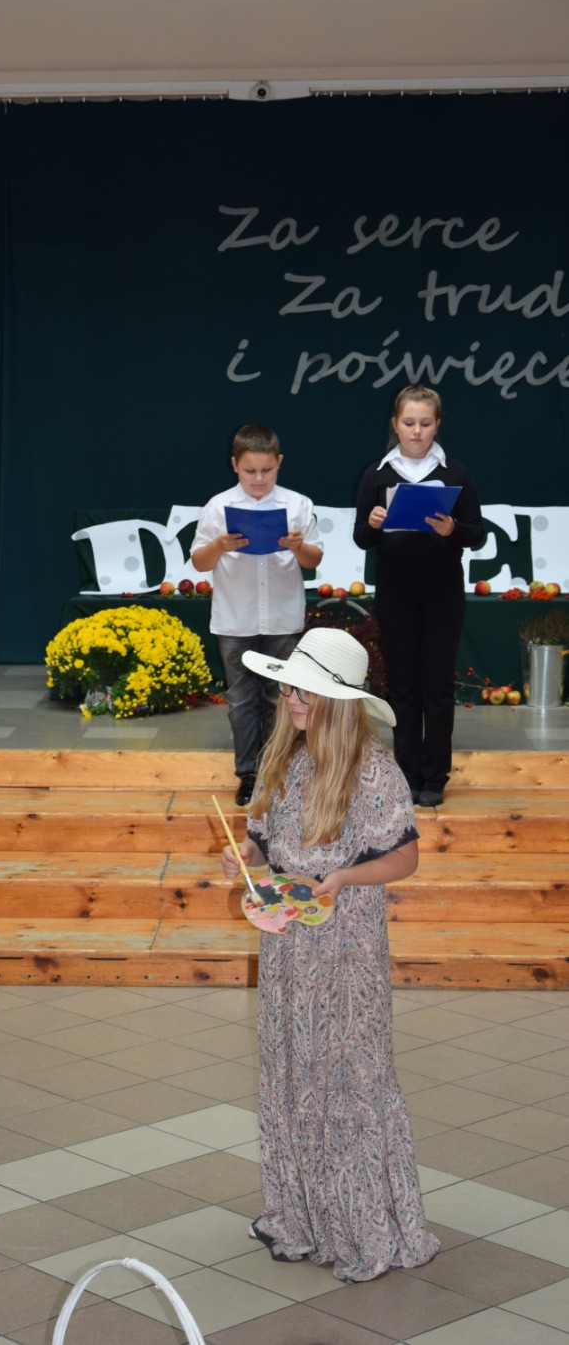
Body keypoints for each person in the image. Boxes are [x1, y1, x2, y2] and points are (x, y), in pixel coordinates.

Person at [221, 625, 439, 1283]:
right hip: (289, 945)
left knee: (347, 1081)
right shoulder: (286, 758)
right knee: (294, 1073)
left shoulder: (374, 770)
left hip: (345, 949)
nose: (292, 699)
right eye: (291, 688)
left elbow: (405, 857)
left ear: (340, 702)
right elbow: (265, 836)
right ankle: (303, 1216)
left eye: (306, 692)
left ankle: (363, 1227)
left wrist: (344, 877)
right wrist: (248, 854)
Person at [353, 386, 484, 807]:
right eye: (409, 423)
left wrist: (453, 529)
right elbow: (361, 538)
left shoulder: (455, 473)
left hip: (443, 592)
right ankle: (406, 773)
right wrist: (374, 523)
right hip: (396, 592)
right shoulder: (378, 474)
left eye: (425, 423)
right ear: (395, 424)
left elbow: (477, 533)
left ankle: (435, 776)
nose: (417, 431)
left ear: (437, 424)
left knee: (437, 685)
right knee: (404, 684)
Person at [191, 422, 322, 806]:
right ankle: (248, 774)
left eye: (267, 470)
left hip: (282, 618)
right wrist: (219, 545)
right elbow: (199, 562)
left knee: (282, 700)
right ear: (235, 465)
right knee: (241, 701)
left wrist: (298, 547)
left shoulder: (297, 504)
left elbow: (314, 559)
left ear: (279, 462)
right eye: (250, 470)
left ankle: (280, 772)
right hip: (236, 619)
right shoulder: (218, 506)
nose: (259, 478)